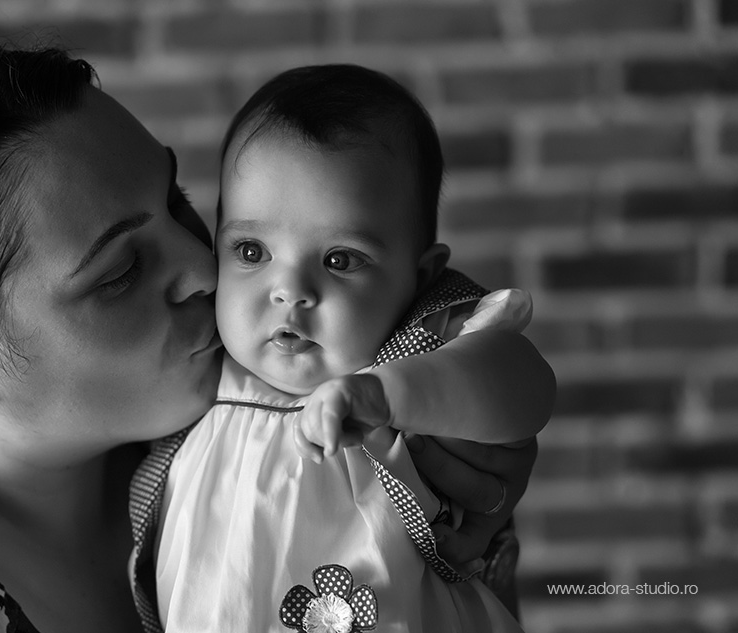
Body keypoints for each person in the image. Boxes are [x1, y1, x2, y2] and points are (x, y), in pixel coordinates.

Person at [0, 40, 540, 633]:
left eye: (177, 201)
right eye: (120, 271)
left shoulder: (245, 409)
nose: (204, 270)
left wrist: (460, 500)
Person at [147, 65, 556, 632]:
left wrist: (392, 394)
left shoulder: (411, 359)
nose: (288, 290)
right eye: (250, 250)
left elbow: (526, 386)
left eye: (340, 260)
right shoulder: (196, 368)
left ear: (421, 277)